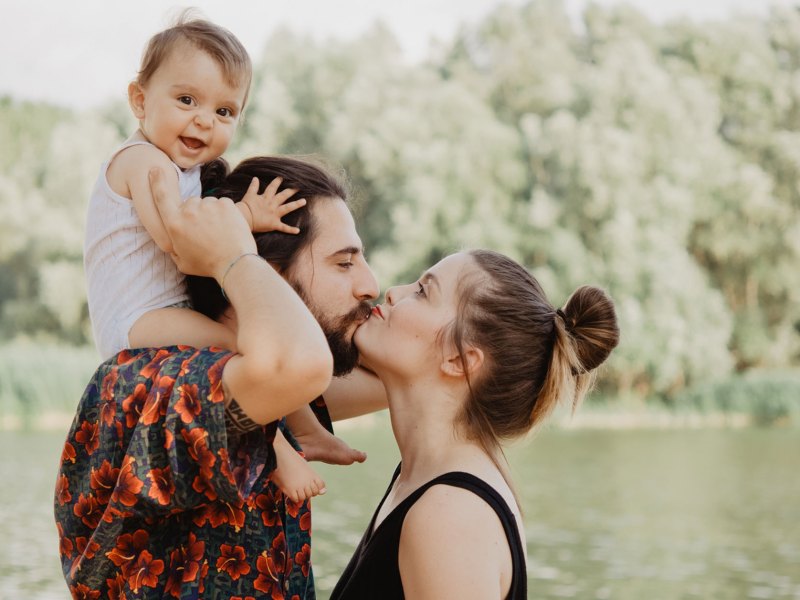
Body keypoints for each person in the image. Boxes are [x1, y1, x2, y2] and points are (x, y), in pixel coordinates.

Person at [56, 156, 383, 598]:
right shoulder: (154, 383)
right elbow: (298, 366)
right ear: (268, 274)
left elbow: (397, 377)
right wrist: (234, 258)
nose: (371, 285)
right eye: (344, 264)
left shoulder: (271, 394)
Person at [83, 13, 352, 503]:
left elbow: (199, 229)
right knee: (241, 348)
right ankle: (282, 452)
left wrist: (239, 218)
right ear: (140, 101)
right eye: (187, 100)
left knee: (244, 345)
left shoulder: (180, 168)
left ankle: (308, 430)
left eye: (225, 111)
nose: (205, 120)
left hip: (160, 314)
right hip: (136, 321)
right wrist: (245, 216)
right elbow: (185, 246)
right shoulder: (143, 162)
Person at [330, 250, 620, 599]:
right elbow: (293, 383)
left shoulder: (449, 518)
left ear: (460, 359)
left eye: (423, 291)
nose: (392, 292)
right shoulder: (423, 480)